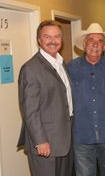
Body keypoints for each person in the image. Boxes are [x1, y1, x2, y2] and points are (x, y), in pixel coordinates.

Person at [17, 20, 73, 176]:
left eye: (57, 37)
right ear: (39, 40)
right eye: (47, 37)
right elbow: (30, 110)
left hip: (65, 140)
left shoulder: (62, 64)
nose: (53, 41)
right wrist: (40, 141)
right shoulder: (30, 68)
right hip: (45, 142)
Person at [67, 23, 105, 176]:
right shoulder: (71, 67)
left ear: (104, 45)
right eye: (91, 39)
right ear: (84, 43)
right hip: (82, 135)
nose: (95, 44)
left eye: (100, 41)